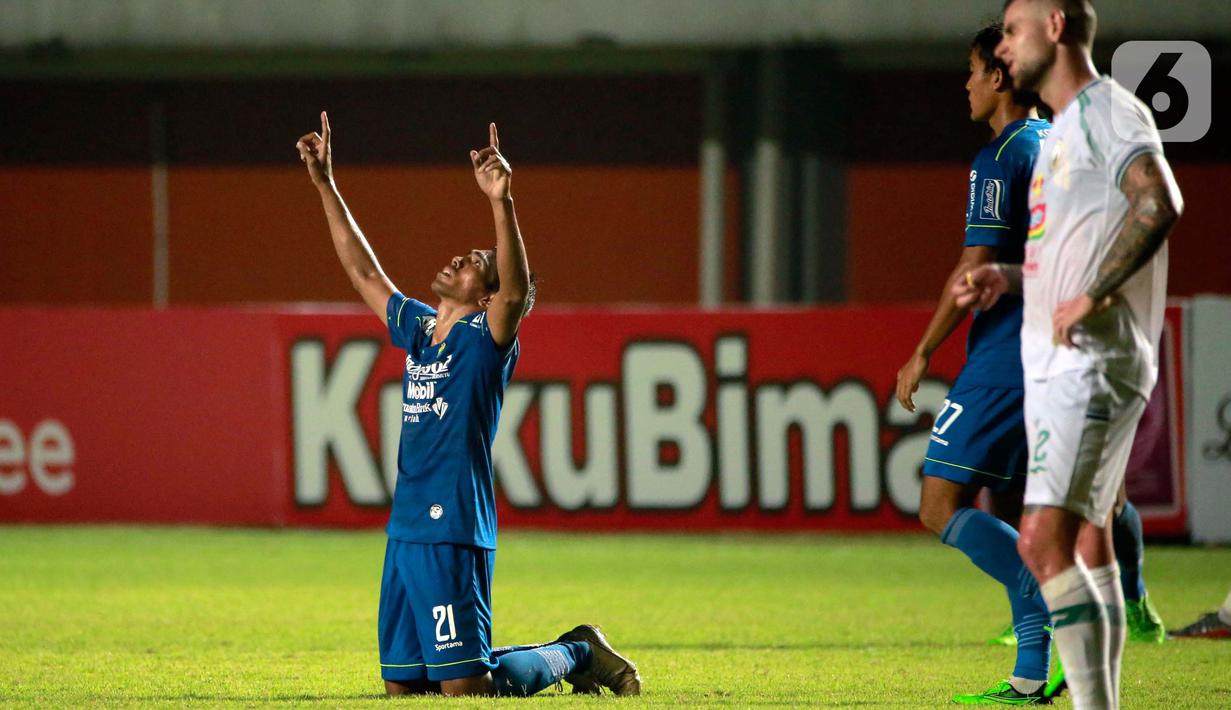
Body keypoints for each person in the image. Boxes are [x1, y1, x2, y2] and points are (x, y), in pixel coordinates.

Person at [296, 113, 641, 697]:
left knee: (466, 689)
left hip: (453, 523)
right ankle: (566, 651)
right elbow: (362, 270)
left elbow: (515, 289)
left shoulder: (485, 341)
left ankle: (576, 651)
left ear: (485, 297)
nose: (459, 259)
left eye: (474, 263)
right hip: (406, 524)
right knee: (406, 690)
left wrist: (501, 202)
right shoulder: (418, 328)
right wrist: (326, 183)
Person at [957, 1, 1183, 707]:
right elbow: (1068, 246)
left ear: (1054, 26)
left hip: (1091, 360)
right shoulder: (1058, 133)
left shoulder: (1105, 112)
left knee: (1040, 540)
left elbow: (1158, 199)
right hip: (1067, 360)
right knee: (1086, 546)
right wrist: (1010, 276)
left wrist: (1091, 293)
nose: (1004, 50)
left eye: (1013, 32)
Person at [896, 23, 1057, 705]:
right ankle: (1031, 673)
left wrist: (921, 351)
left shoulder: (1000, 156)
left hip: (1006, 353)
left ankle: (1032, 598)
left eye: (969, 70)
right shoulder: (1055, 143)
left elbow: (972, 270)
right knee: (1056, 503)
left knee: (938, 501)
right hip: (1054, 345)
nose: (963, 84)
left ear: (998, 77)